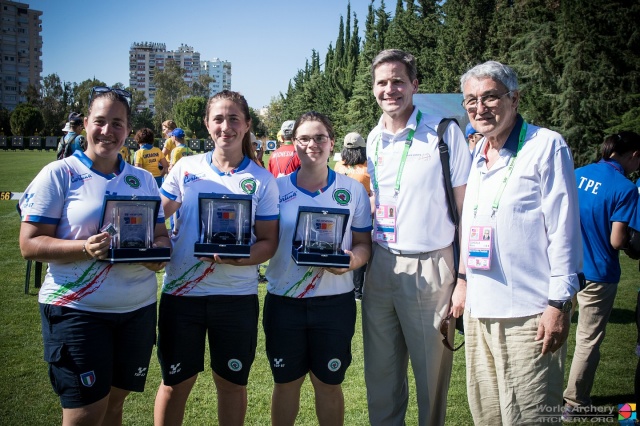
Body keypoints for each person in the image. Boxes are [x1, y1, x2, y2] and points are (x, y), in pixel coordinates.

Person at [18, 86, 170, 425]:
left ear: (128, 129)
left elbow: (160, 236)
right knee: (85, 414)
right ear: (86, 123)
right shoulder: (60, 173)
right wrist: (83, 248)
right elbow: (29, 244)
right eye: (100, 121)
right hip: (77, 310)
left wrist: (157, 255)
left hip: (136, 310)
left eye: (118, 123)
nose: (108, 131)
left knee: (114, 407)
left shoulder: (143, 180)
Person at [458, 60, 583, 425]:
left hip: (530, 314)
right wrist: (464, 282)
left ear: (514, 98)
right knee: (489, 416)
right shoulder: (477, 152)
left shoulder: (546, 146)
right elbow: (473, 225)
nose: (479, 108)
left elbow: (563, 228)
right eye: (470, 101)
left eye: (490, 97)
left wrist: (559, 302)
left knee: (530, 417)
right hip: (480, 312)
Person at [154, 90, 279, 426]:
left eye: (234, 118)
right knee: (174, 384)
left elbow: (268, 242)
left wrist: (241, 259)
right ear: (207, 124)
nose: (226, 126)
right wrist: (157, 238)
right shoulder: (186, 167)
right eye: (219, 119)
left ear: (247, 124)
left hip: (235, 297)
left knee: (232, 385)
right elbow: (155, 215)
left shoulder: (262, 180)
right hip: (182, 295)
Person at [362, 49, 471, 426]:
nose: (389, 89)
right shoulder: (373, 138)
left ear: (414, 85)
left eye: (398, 81)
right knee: (380, 374)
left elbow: (467, 212)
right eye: (382, 82)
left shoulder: (444, 132)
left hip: (432, 265)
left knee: (431, 377)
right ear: (373, 88)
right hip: (381, 263)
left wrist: (464, 277)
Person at [263, 111, 372, 425]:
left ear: (332, 143)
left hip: (333, 303)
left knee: (328, 384)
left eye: (320, 137)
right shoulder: (275, 188)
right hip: (285, 301)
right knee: (285, 384)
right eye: (305, 138)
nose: (313, 144)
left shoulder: (352, 191)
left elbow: (364, 243)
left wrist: (352, 261)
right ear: (293, 143)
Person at [563, 131, 640, 419]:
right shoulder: (625, 187)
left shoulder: (577, 173)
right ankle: (575, 403)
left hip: (566, 266)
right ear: (633, 155)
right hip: (599, 272)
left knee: (552, 331)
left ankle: (542, 392)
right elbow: (617, 240)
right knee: (587, 339)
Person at [333, 131, 371, 300]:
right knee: (361, 250)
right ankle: (358, 290)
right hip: (364, 214)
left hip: (340, 216)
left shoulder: (339, 166)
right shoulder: (368, 168)